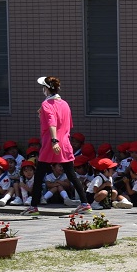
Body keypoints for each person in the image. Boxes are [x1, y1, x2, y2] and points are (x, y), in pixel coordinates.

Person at [31, 76, 90, 214]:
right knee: (71, 174)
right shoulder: (64, 104)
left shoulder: (46, 104)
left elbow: (52, 122)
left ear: (47, 89)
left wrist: (53, 140)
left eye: (43, 87)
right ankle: (85, 203)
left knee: (39, 175)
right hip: (64, 142)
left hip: (51, 143)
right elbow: (67, 123)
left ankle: (33, 206)